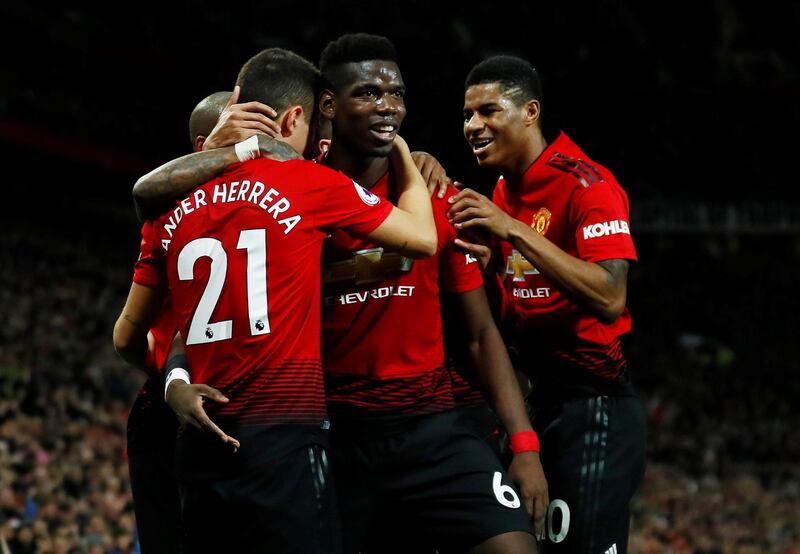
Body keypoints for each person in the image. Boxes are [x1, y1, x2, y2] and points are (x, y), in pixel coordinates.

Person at [128, 47, 437, 554]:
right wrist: (402, 151)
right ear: (296, 117)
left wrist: (173, 381)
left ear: (235, 103)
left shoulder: (171, 205)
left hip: (198, 443)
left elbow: (131, 335)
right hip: (283, 442)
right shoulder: (312, 183)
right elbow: (423, 239)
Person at [315, 34, 543, 553]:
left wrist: (524, 444)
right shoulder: (299, 201)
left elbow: (481, 334)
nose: (388, 106)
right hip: (339, 437)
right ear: (329, 104)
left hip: (432, 431)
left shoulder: (439, 199)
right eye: (369, 93)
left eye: (396, 93)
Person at [449, 55, 646, 554]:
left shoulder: (587, 184)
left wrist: (511, 229)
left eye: (489, 111)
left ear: (530, 111)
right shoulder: (501, 189)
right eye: (468, 114)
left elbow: (610, 296)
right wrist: (494, 266)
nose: (473, 126)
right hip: (541, 403)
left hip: (594, 405)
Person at [112, 90, 235, 553]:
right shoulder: (266, 204)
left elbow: (126, 338)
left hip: (168, 405)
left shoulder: (164, 212)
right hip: (236, 395)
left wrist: (166, 377)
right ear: (207, 142)